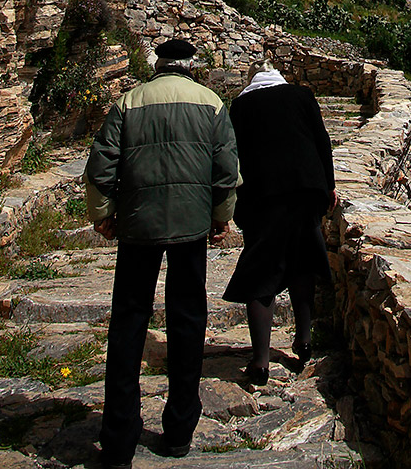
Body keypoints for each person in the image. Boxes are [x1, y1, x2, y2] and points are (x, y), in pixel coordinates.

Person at [85, 37, 240, 469]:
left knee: (129, 324)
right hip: (191, 228)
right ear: (193, 66)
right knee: (187, 321)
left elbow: (100, 166)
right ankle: (178, 430)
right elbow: (227, 171)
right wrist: (220, 217)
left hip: (138, 227)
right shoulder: (211, 104)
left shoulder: (129, 102)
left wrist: (103, 215)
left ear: (157, 65)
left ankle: (118, 439)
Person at [223, 59, 337, 385]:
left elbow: (234, 155)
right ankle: (303, 341)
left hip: (262, 198)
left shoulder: (241, 106)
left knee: (262, 273)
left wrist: (233, 203)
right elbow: (322, 141)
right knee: (302, 266)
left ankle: (260, 359)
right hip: (305, 190)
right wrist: (328, 186)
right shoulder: (302, 95)